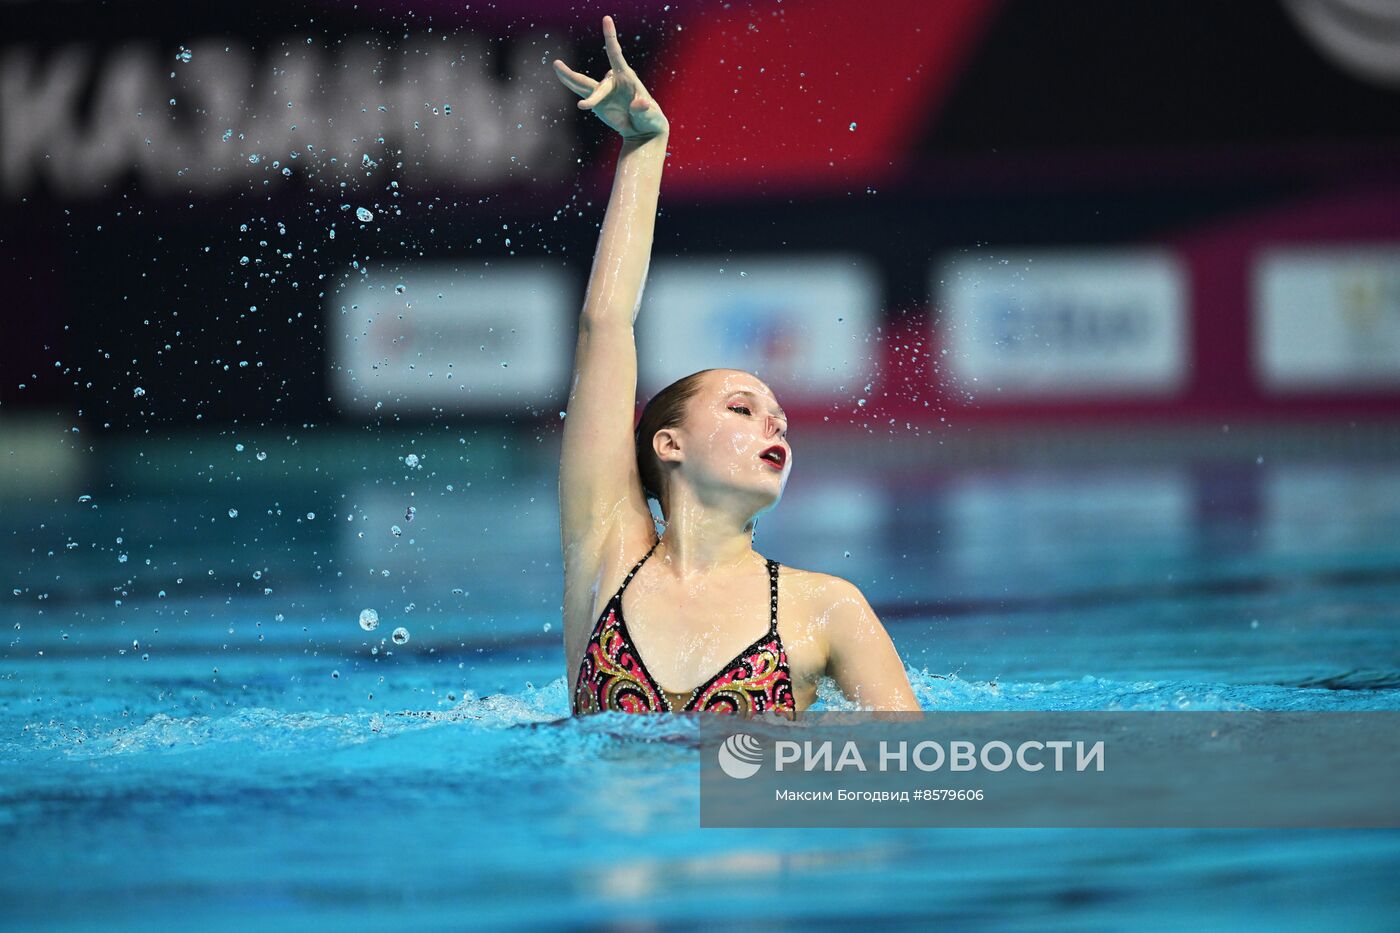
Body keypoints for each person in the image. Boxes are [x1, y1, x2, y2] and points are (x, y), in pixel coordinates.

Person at [554, 16, 919, 718]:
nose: (773, 422)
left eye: (777, 416)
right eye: (741, 408)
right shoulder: (606, 550)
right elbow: (606, 324)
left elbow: (918, 772)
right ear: (670, 444)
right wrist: (642, 148)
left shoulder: (829, 610)